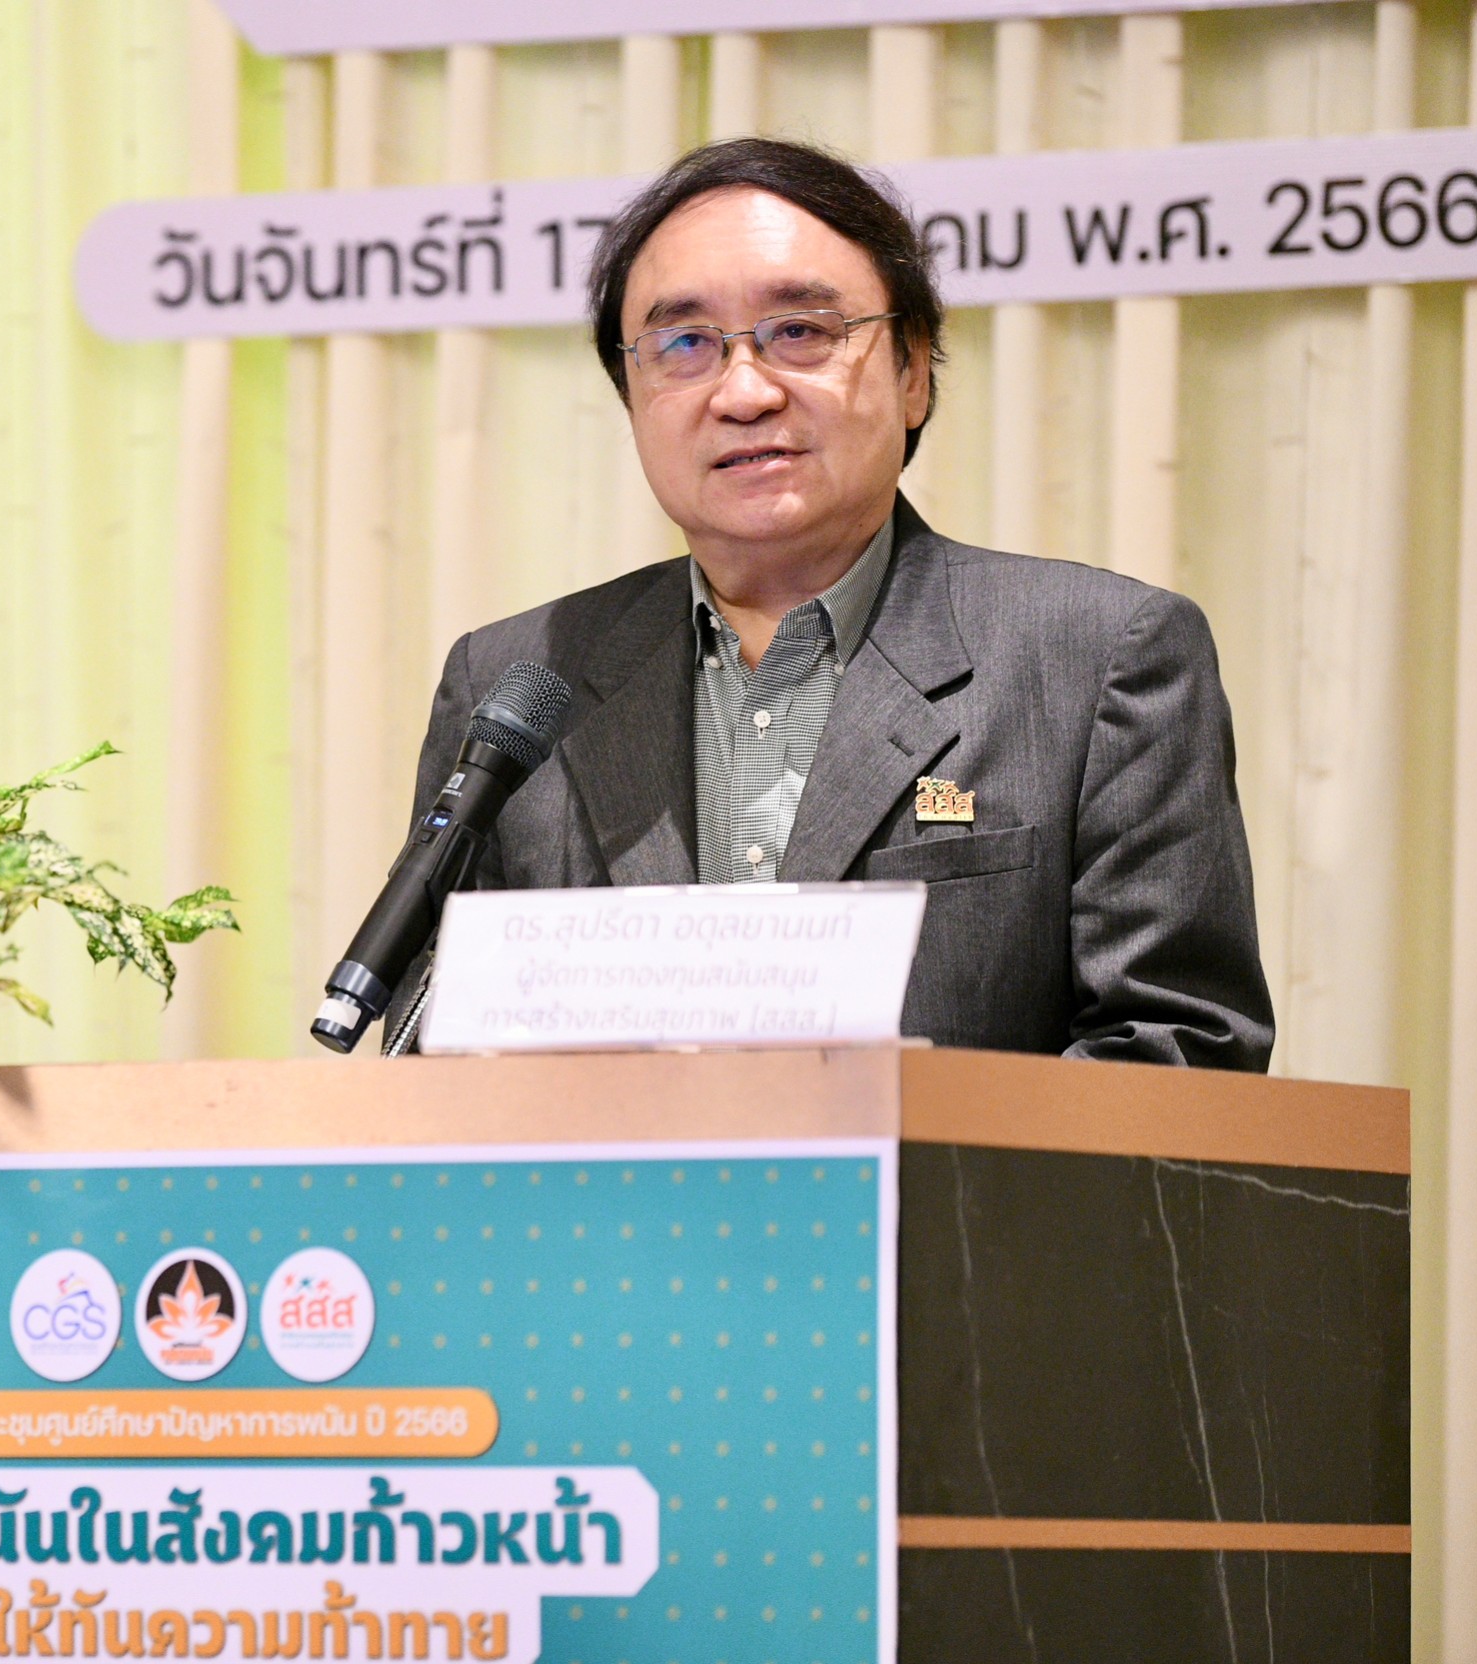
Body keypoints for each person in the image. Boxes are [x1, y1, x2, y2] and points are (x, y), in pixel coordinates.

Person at [398, 137, 1273, 1068]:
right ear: (631, 398)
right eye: (685, 344)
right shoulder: (518, 681)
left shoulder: (1100, 658)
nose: (743, 392)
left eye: (801, 332)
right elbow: (433, 1057)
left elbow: (1177, 1053)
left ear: (913, 372)